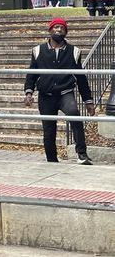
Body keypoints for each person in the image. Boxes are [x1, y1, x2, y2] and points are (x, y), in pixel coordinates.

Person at [24, 18, 94, 164]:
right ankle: (52, 160)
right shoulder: (38, 50)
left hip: (65, 93)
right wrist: (29, 93)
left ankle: (82, 154)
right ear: (50, 31)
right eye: (55, 27)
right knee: (49, 128)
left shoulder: (74, 51)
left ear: (65, 32)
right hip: (46, 95)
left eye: (62, 28)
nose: (58, 30)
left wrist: (88, 101)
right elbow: (32, 73)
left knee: (75, 116)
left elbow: (81, 78)